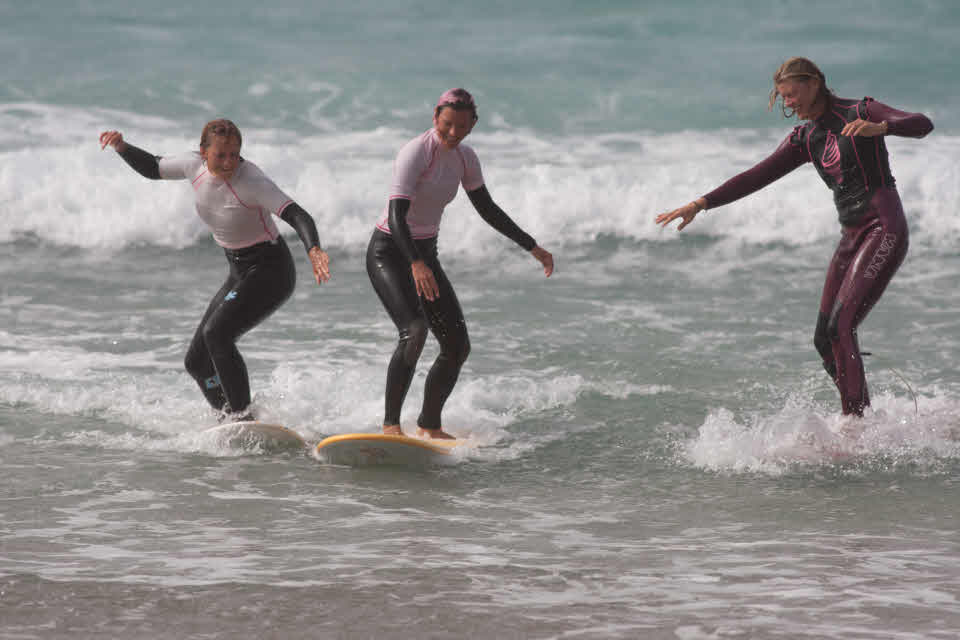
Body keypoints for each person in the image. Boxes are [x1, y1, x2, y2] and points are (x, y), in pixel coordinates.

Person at [655, 57, 933, 417]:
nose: (788, 103)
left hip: (884, 229)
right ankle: (862, 411)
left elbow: (922, 125)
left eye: (792, 94)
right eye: (783, 98)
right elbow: (756, 176)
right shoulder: (806, 138)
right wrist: (702, 203)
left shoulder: (858, 111)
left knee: (842, 325)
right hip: (851, 239)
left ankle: (855, 424)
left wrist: (878, 128)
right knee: (824, 339)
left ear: (814, 83)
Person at [99, 119, 331, 421]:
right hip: (238, 270)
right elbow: (153, 167)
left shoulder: (252, 182)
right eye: (220, 155)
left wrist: (313, 248)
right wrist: (121, 147)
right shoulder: (191, 166)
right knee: (196, 362)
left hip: (270, 270)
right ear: (203, 152)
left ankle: (242, 415)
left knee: (217, 334)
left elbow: (297, 215)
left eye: (234, 154)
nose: (228, 162)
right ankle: (229, 418)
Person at [367, 88, 554, 439]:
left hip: (425, 253)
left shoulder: (465, 158)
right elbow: (396, 216)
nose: (454, 133)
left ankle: (429, 426)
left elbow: (487, 209)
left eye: (462, 127)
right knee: (414, 331)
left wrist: (532, 247)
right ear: (436, 115)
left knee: (456, 346)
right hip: (390, 251)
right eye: (447, 124)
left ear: (473, 125)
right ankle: (391, 425)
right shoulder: (415, 152)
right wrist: (415, 264)